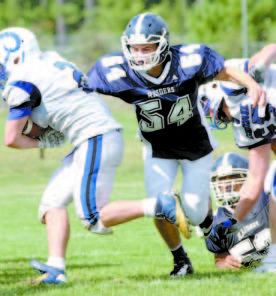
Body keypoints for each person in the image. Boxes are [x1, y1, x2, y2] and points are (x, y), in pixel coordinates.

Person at [0, 27, 180, 284]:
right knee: (51, 204)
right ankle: (56, 270)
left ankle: (161, 205)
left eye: (0, 62)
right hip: (92, 137)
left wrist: (43, 142)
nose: (1, 69)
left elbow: (12, 138)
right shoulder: (51, 59)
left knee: (92, 217)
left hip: (94, 137)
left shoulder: (22, 77)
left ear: (14, 55)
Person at [87, 12, 265, 277]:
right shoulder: (116, 70)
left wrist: (252, 86)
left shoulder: (188, 60)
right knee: (161, 205)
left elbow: (225, 70)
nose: (140, 54)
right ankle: (180, 259)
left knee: (193, 211)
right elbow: (82, 89)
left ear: (162, 44)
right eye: (135, 48)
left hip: (196, 144)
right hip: (157, 148)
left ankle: (212, 235)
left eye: (147, 47)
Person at [200, 43, 276, 272]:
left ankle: (272, 258)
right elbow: (254, 181)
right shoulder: (244, 112)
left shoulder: (238, 85)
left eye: (216, 111)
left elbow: (272, 47)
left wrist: (260, 67)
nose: (218, 116)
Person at [204, 152, 270, 269]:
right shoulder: (217, 221)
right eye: (222, 180)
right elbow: (220, 257)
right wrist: (224, 262)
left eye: (233, 177)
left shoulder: (266, 200)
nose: (227, 185)